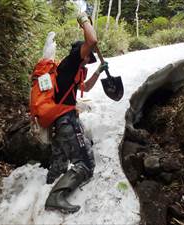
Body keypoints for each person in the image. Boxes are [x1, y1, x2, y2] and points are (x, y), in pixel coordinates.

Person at [44, 12, 108, 214]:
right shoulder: (72, 60)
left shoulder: (72, 70)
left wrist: (98, 71)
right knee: (86, 163)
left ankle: (46, 186)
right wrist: (84, 20)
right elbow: (92, 39)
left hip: (58, 120)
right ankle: (55, 197)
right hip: (66, 120)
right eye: (88, 58)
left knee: (60, 161)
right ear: (81, 52)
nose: (88, 61)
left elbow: (86, 88)